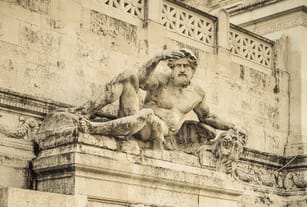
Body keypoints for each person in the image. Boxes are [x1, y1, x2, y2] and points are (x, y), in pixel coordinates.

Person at [76, 48, 236, 149]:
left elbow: (208, 117)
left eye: (186, 66)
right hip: (134, 118)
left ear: (193, 71)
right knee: (128, 76)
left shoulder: (196, 94)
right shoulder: (161, 81)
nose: (182, 69)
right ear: (171, 69)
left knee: (147, 115)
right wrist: (158, 58)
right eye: (178, 66)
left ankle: (94, 128)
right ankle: (84, 112)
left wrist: (232, 126)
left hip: (157, 130)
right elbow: (140, 78)